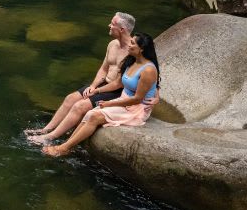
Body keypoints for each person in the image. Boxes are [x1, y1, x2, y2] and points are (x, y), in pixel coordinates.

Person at [42, 32, 159, 157]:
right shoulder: (131, 61)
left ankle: (63, 148)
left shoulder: (148, 70)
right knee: (90, 113)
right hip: (124, 100)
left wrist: (110, 103)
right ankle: (67, 144)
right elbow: (117, 84)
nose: (129, 45)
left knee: (95, 116)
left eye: (133, 43)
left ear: (141, 49)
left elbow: (137, 99)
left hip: (136, 109)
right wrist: (97, 90)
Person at [24, 12, 135, 144]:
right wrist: (93, 86)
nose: (109, 25)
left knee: (80, 106)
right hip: (104, 84)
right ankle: (45, 130)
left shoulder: (133, 51)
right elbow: (104, 69)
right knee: (70, 98)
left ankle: (50, 137)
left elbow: (120, 83)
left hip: (118, 91)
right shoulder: (112, 44)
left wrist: (97, 91)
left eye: (113, 24)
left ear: (122, 29)